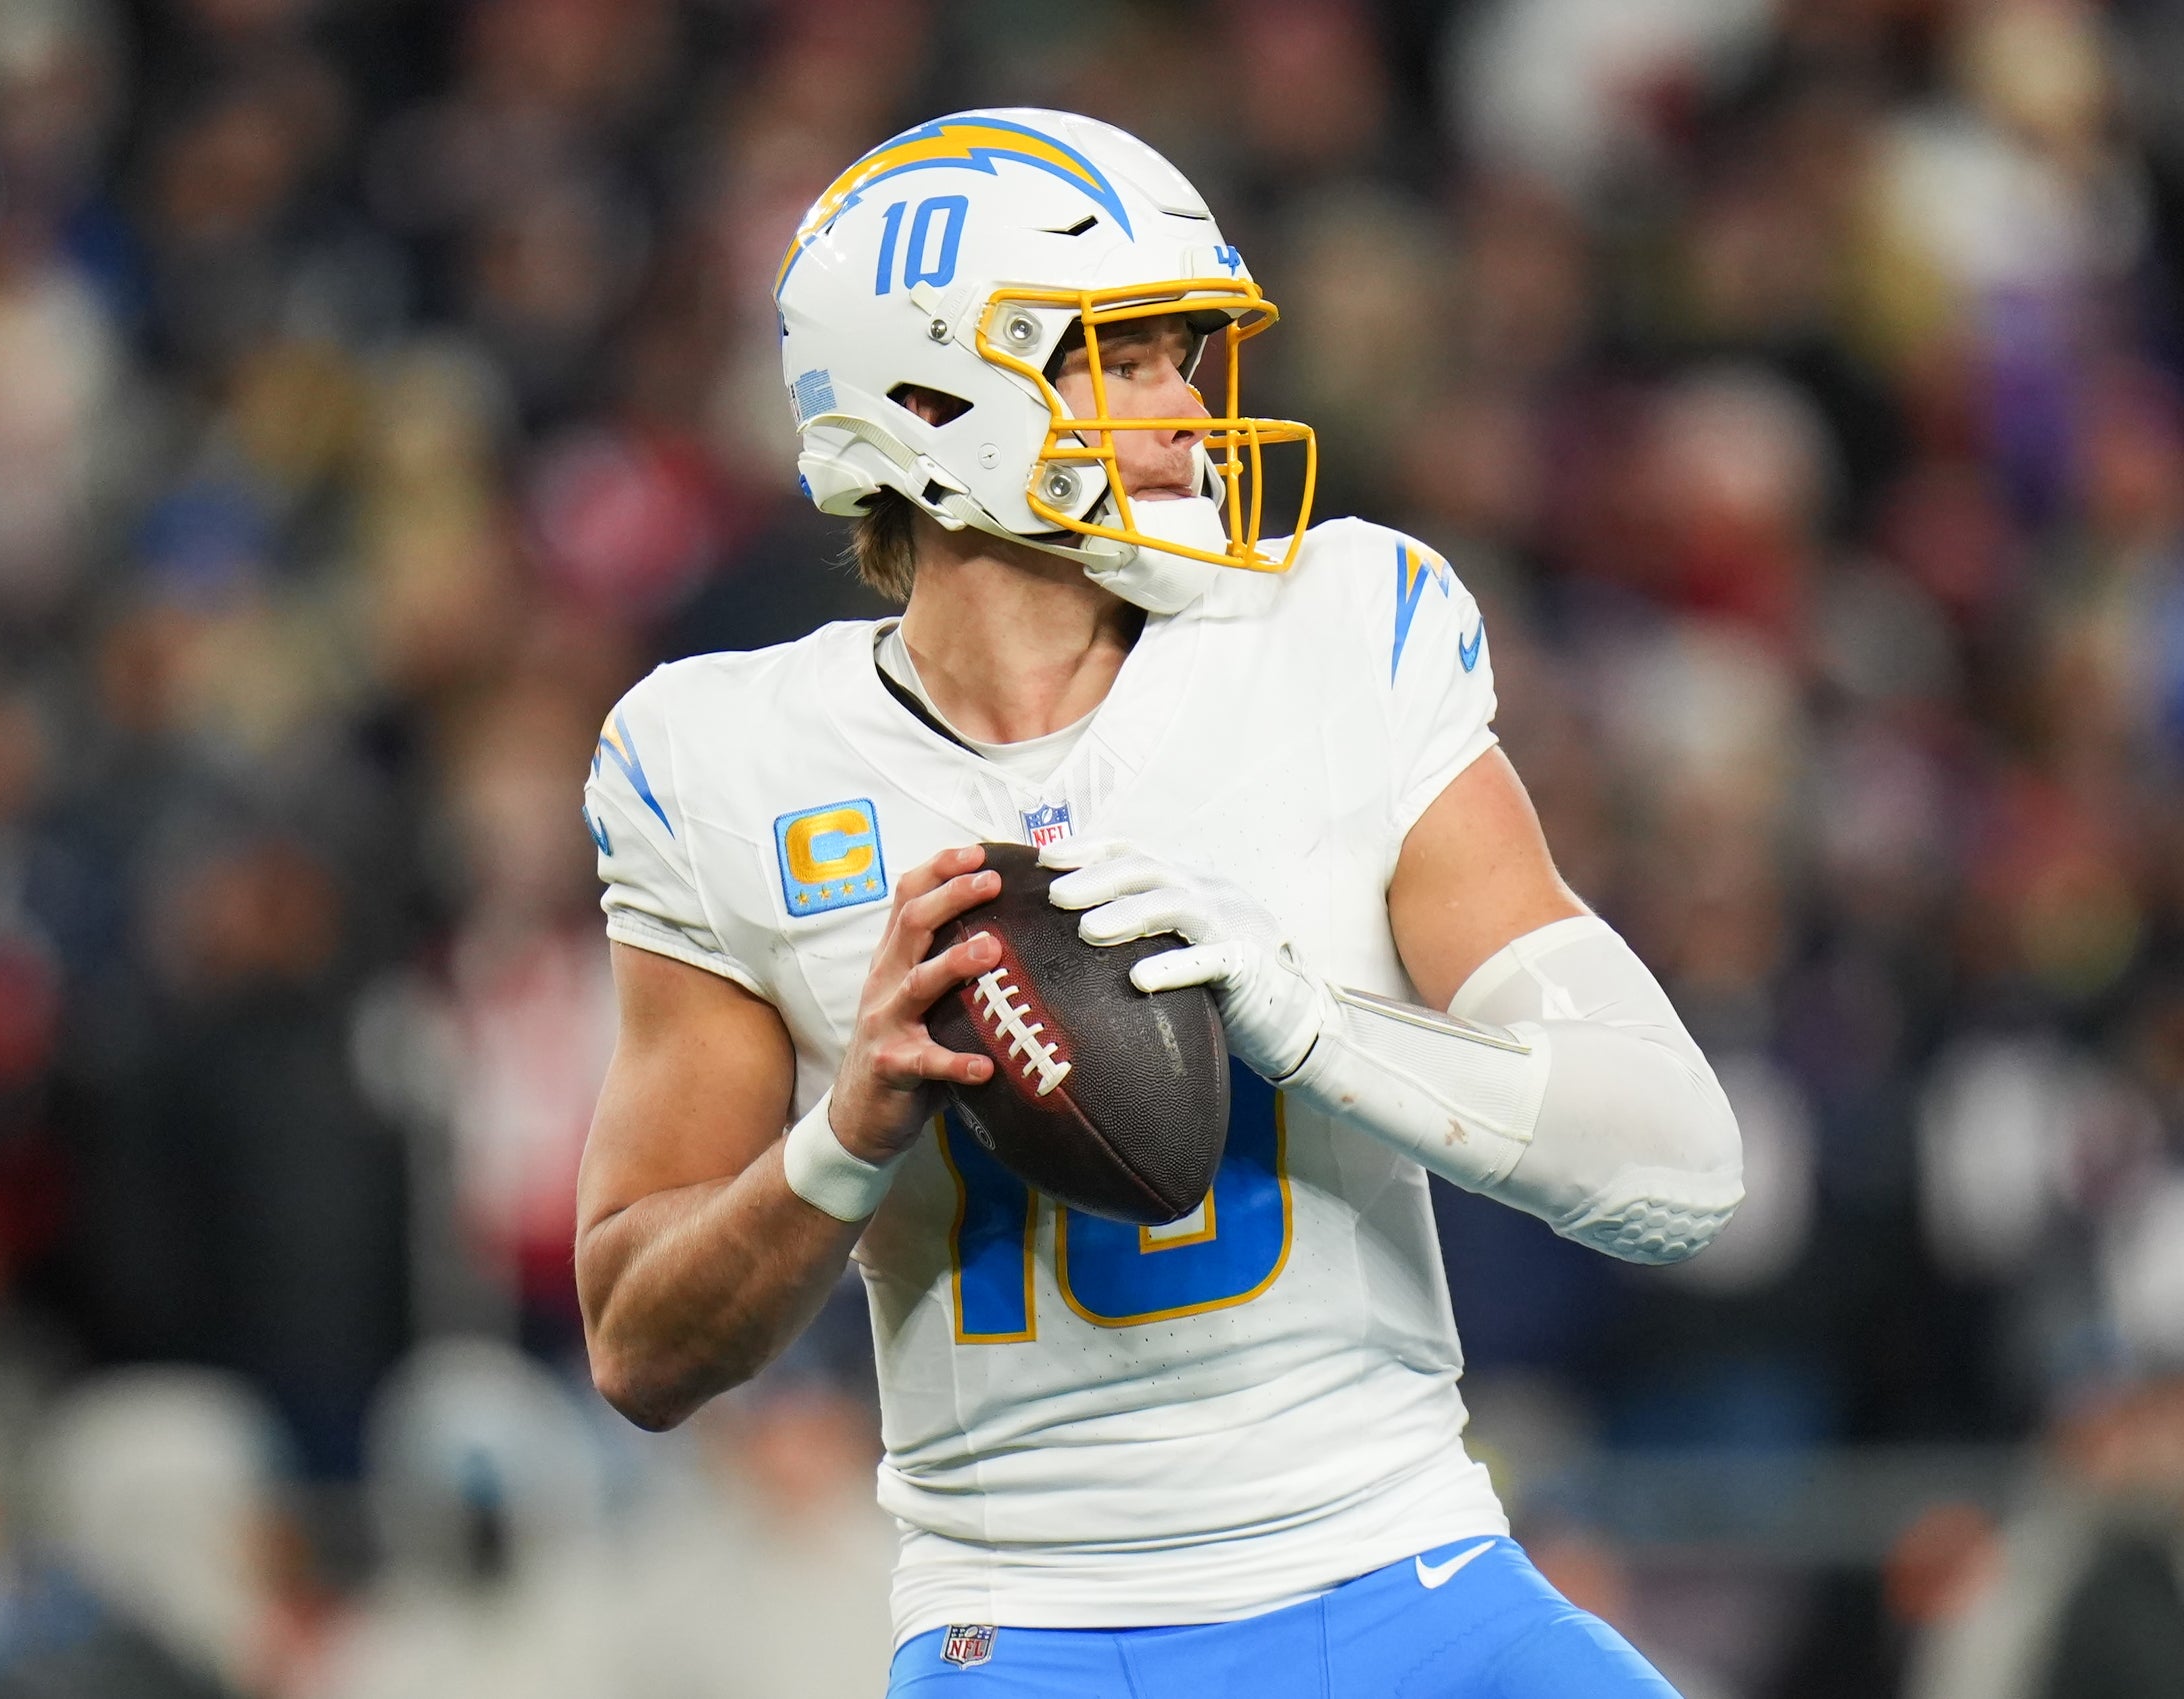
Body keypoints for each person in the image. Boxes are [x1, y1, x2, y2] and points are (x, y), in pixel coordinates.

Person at [575, 107, 1743, 1697]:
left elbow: (1680, 1166)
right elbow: (638, 1344)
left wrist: (1306, 1022)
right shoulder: (719, 758)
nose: (1188, 407)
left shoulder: (1340, 633)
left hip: (1408, 1567)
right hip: (1040, 1630)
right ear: (932, 397)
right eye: (1125, 361)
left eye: (1183, 357)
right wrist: (845, 1137)